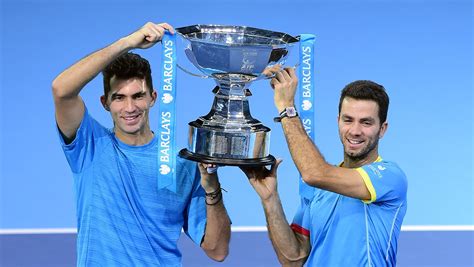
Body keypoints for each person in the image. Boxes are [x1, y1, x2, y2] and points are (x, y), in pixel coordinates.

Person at [52, 22, 231, 266]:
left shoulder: (183, 164)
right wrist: (127, 42)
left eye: (138, 96)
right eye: (119, 98)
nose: (130, 108)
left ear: (153, 98)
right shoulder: (89, 145)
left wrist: (212, 187)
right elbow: (61, 89)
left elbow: (217, 250)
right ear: (105, 102)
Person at [241, 67, 407, 266]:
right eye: (348, 120)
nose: (355, 130)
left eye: (366, 122)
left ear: (382, 129)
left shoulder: (390, 177)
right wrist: (270, 198)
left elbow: (314, 173)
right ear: (338, 121)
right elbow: (293, 259)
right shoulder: (318, 188)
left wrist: (287, 107)